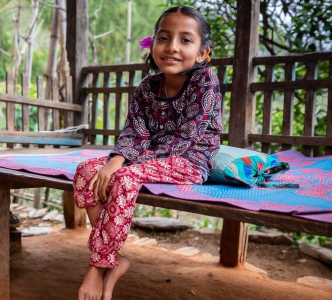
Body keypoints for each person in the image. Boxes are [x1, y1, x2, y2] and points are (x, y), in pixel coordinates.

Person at [72, 6, 222, 300]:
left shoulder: (206, 82)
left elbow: (185, 139)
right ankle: (112, 260)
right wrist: (114, 160)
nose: (172, 47)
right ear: (153, 43)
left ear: (204, 53)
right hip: (146, 157)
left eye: (185, 40)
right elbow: (134, 131)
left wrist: (123, 166)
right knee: (87, 172)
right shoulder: (147, 86)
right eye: (164, 38)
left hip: (189, 159)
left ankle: (98, 267)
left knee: (125, 178)